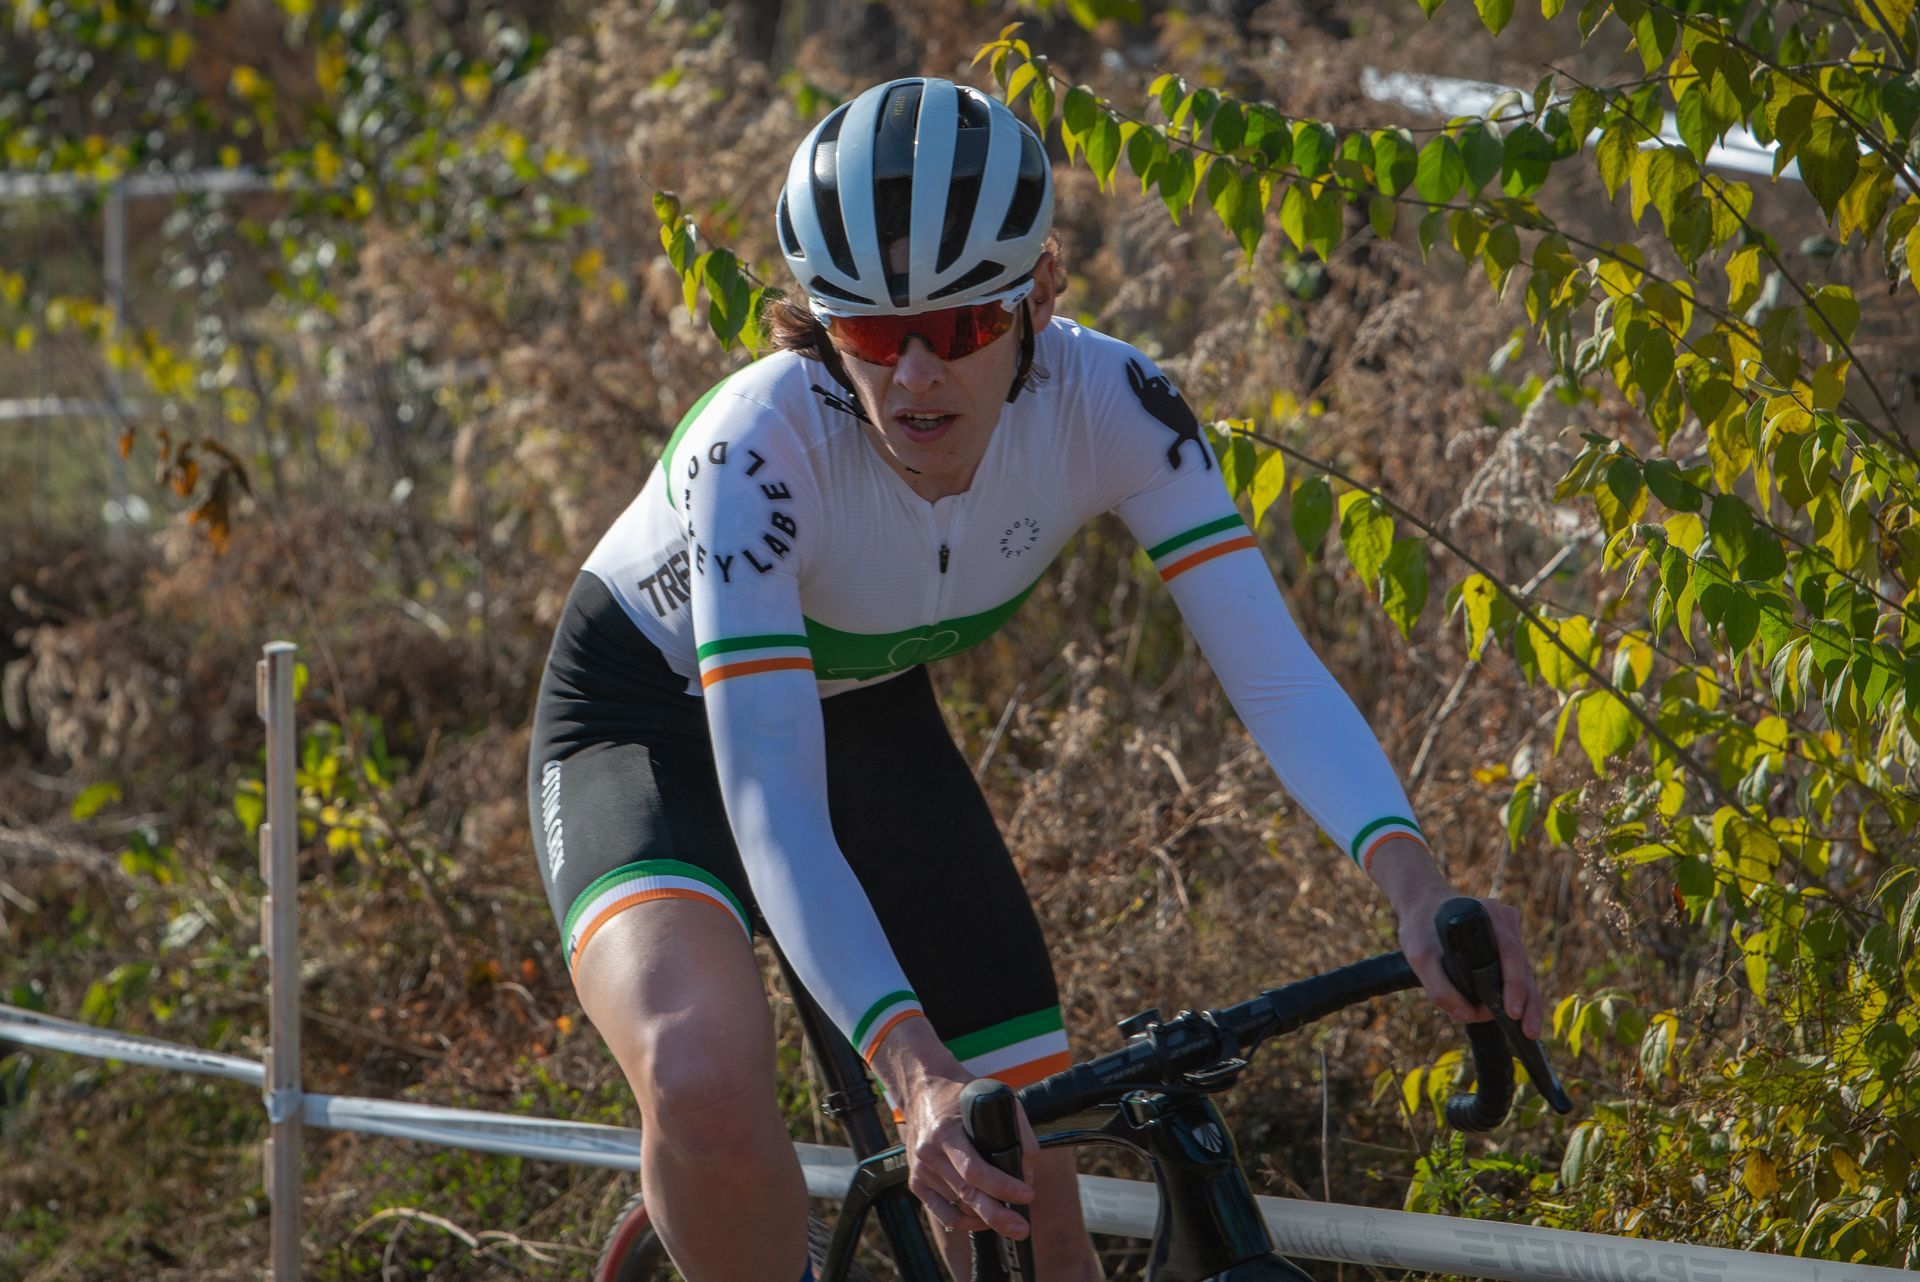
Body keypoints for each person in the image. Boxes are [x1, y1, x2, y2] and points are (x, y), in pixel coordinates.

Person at [527, 75, 1546, 1282]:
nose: (913, 379)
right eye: (867, 332)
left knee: (1033, 1209)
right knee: (703, 1074)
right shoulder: (760, 450)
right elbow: (772, 809)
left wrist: (1415, 881)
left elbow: (1274, 675)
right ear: (819, 327)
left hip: (864, 713)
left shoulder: (1112, 403)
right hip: (647, 725)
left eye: (960, 328)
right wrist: (911, 1073)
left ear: (1039, 297)